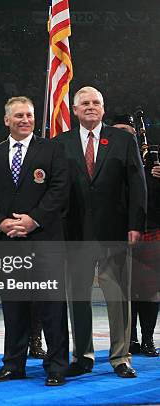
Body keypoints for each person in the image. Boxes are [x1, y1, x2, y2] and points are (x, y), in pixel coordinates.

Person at [54, 86, 146, 378]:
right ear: (76, 110)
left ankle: (121, 357)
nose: (90, 106)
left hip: (115, 232)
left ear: (103, 109)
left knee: (118, 297)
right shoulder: (60, 143)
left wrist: (135, 225)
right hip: (75, 234)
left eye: (96, 102)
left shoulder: (123, 140)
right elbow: (56, 191)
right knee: (77, 297)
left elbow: (137, 185)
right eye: (85, 103)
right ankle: (83, 356)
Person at [0, 96, 69, 386]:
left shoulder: (52, 149)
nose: (25, 120)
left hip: (45, 240)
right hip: (8, 242)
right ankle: (13, 364)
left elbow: (59, 190)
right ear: (6, 120)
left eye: (29, 115)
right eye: (18, 115)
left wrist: (33, 220)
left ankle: (56, 365)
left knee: (51, 306)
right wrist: (1, 222)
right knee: (14, 306)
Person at [112, 114, 159, 358]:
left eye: (128, 131)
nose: (124, 135)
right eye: (119, 130)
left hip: (150, 232)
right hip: (119, 234)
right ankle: (130, 339)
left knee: (150, 290)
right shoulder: (106, 160)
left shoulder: (154, 162)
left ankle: (148, 339)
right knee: (124, 291)